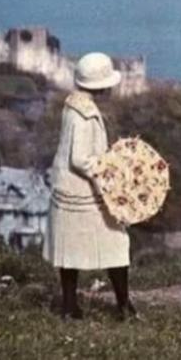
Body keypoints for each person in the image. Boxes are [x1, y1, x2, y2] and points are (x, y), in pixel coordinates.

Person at [43, 52, 136, 321]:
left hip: (67, 188)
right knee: (116, 243)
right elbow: (80, 158)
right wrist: (107, 172)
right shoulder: (84, 114)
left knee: (69, 250)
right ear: (101, 85)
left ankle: (70, 306)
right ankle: (122, 305)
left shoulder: (72, 104)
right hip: (84, 191)